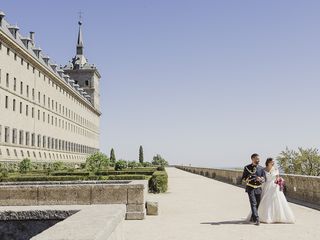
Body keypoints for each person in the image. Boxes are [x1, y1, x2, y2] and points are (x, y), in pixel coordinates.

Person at [258, 158, 295, 223]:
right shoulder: (263, 169)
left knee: (276, 200)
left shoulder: (275, 169)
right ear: (268, 162)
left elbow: (277, 177)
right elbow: (262, 177)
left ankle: (277, 217)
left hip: (274, 186)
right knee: (265, 200)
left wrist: (278, 180)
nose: (273, 163)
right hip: (266, 186)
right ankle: (264, 216)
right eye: (272, 162)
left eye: (273, 162)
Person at [242, 153, 266, 225]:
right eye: (257, 159)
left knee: (258, 204)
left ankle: (253, 217)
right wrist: (252, 177)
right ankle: (257, 219)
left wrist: (261, 179)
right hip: (250, 187)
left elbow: (264, 178)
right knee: (253, 203)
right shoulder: (247, 168)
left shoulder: (261, 168)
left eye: (259, 159)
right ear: (252, 159)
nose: (258, 160)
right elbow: (243, 179)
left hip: (258, 188)